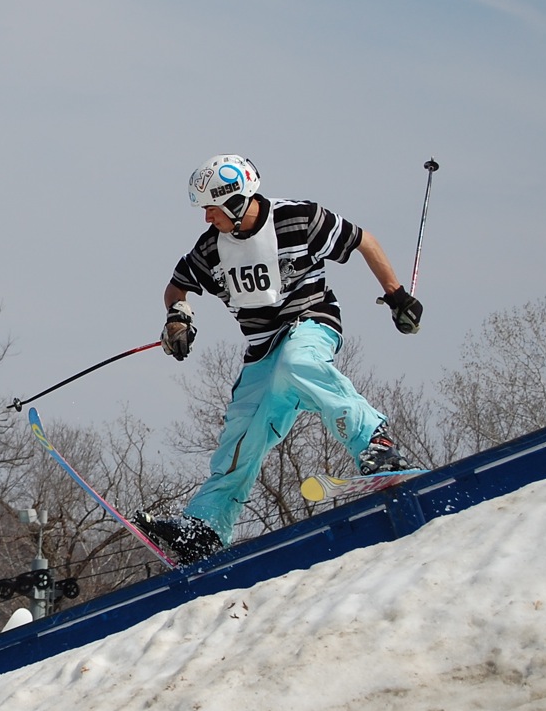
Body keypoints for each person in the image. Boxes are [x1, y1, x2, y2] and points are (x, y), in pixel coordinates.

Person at [135, 154, 423, 564]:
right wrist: (178, 318)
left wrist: (396, 295)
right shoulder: (210, 250)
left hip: (311, 321)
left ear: (236, 202)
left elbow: (364, 241)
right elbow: (177, 286)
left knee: (298, 363)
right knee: (243, 429)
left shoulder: (299, 219)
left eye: (212, 209)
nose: (206, 219)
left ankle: (376, 443)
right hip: (262, 347)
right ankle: (207, 525)